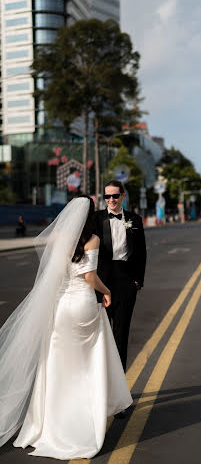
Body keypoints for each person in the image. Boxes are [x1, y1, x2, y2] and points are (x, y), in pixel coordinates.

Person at [0, 196, 132, 460]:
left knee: (57, 366)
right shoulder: (92, 240)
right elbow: (89, 277)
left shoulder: (58, 237)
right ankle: (81, 422)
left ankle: (49, 424)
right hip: (82, 303)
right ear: (89, 216)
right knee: (86, 366)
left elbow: (54, 272)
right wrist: (106, 292)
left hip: (60, 307)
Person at [94, 180, 147, 377]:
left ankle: (120, 390)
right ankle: (102, 386)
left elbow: (141, 252)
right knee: (100, 337)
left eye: (115, 196)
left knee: (120, 336)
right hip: (101, 283)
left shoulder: (134, 219)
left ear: (122, 196)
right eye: (107, 196)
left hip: (125, 282)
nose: (111, 200)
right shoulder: (96, 219)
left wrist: (137, 282)